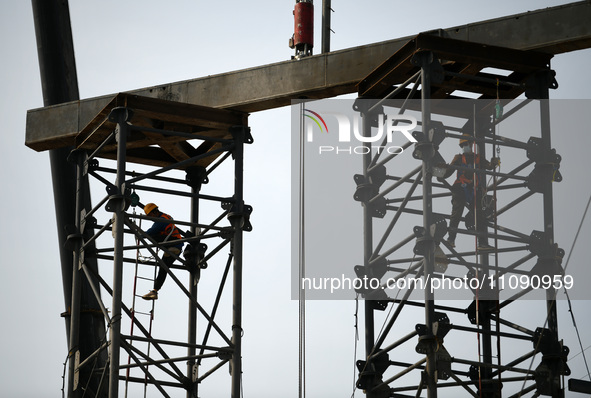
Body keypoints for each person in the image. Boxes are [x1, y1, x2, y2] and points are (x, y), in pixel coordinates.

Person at [439, 135, 500, 249]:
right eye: (462, 145)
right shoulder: (458, 158)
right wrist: (441, 174)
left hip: (474, 190)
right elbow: (449, 171)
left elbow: (489, 166)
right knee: (456, 213)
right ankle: (451, 239)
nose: (464, 147)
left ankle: (482, 243)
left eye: (466, 144)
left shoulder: (478, 158)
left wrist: (494, 162)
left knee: (480, 216)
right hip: (460, 188)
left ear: (472, 145)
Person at [141, 203, 183, 300]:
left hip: (173, 243)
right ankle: (155, 291)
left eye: (150, 215)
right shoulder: (164, 217)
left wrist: (139, 233)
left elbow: (150, 232)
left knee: (151, 236)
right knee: (163, 268)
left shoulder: (161, 220)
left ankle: (171, 248)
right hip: (174, 247)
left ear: (155, 212)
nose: (150, 218)